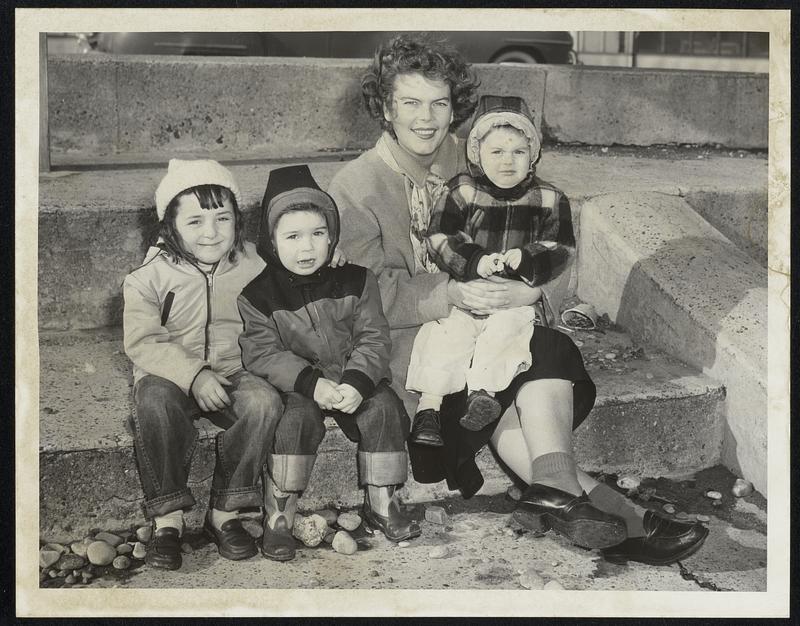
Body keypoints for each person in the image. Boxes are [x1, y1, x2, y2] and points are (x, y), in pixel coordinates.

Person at [328, 33, 708, 565]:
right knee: (515, 383)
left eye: (439, 103)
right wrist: (452, 293)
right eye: (410, 102)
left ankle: (572, 500)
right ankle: (621, 518)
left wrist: (530, 287)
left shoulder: (474, 154)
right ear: (385, 107)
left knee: (541, 351)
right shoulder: (353, 188)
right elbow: (363, 294)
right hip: (413, 351)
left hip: (494, 325)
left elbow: (542, 236)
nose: (426, 117)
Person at [238, 164, 419, 562]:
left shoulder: (357, 279)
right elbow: (262, 352)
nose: (307, 248)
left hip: (352, 377)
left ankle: (382, 499)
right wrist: (309, 383)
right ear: (270, 241)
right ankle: (279, 511)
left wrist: (358, 381)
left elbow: (374, 335)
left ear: (333, 236)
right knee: (294, 420)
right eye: (292, 237)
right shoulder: (258, 296)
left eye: (318, 234)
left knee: (386, 407)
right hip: (303, 387)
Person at [123, 159, 285, 570]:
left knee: (264, 402)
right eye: (194, 221)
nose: (211, 232)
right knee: (152, 401)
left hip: (234, 367)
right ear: (169, 227)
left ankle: (226, 512)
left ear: (238, 221)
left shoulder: (257, 264)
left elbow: (303, 272)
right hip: (172, 374)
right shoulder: (147, 277)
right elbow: (142, 341)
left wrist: (333, 257)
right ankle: (168, 518)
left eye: (222, 218)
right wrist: (193, 374)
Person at [405, 94, 574, 446]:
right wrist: (474, 260)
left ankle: (482, 395)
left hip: (513, 301)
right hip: (467, 294)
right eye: (496, 152)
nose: (507, 162)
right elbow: (440, 237)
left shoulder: (549, 198)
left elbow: (560, 248)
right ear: (477, 155)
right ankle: (429, 408)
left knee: (507, 332)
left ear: (533, 157)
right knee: (444, 334)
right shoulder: (463, 191)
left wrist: (528, 260)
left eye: (518, 152)